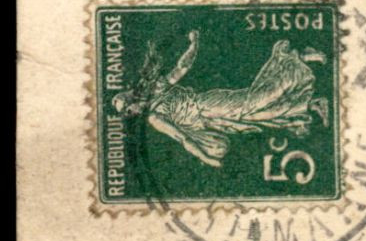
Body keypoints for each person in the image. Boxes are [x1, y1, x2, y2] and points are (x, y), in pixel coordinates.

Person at [113, 30, 328, 168]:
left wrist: (193, 46)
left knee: (255, 103)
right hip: (212, 120)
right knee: (259, 115)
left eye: (128, 106)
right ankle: (311, 104)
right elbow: (183, 138)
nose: (132, 111)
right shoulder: (155, 115)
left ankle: (296, 57)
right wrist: (206, 157)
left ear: (132, 100)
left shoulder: (157, 94)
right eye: (128, 112)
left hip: (207, 104)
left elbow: (181, 68)